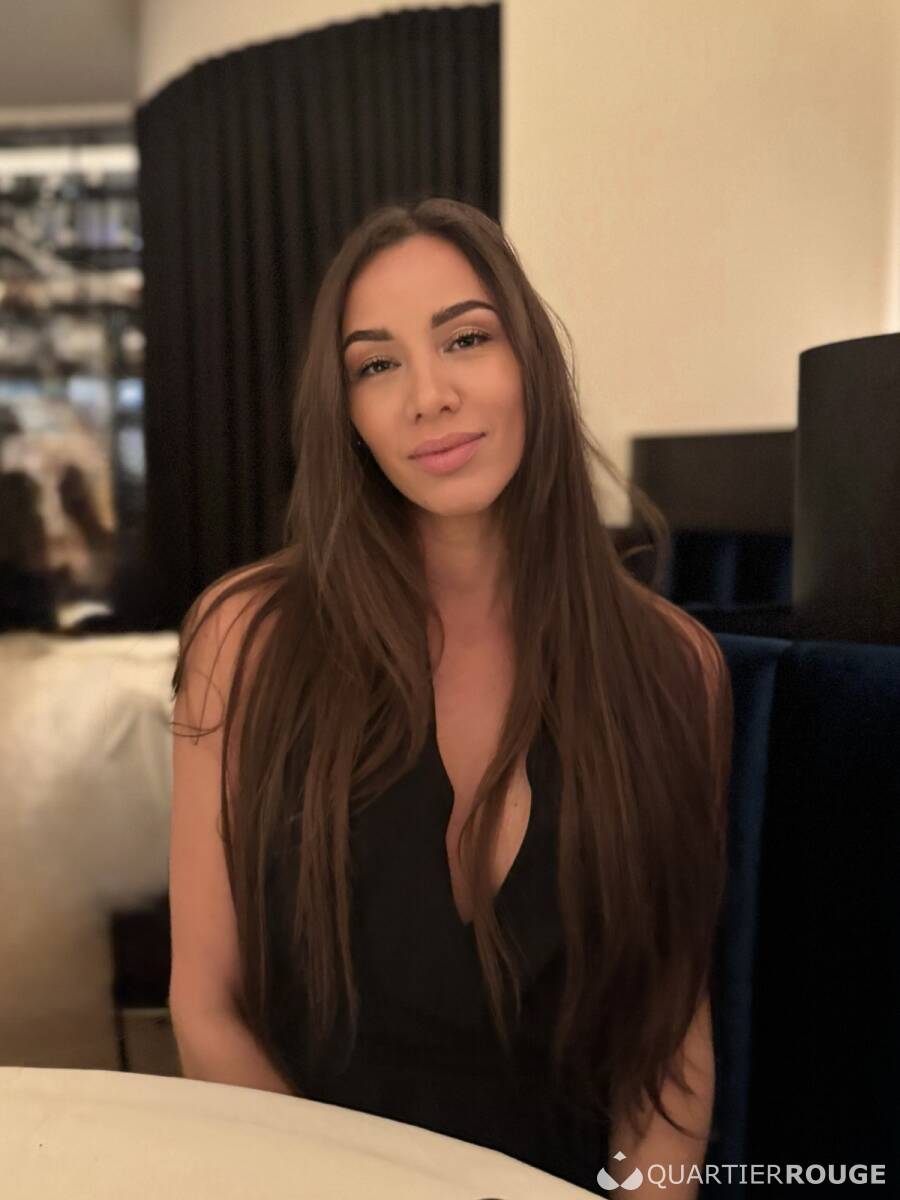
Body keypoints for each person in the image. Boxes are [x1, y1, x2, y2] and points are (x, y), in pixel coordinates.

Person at [168, 198, 732, 1196]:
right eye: (376, 365)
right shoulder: (248, 639)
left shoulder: (673, 667)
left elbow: (668, 1048)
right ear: (346, 414)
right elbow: (208, 1009)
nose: (428, 396)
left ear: (532, 364)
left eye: (466, 339)